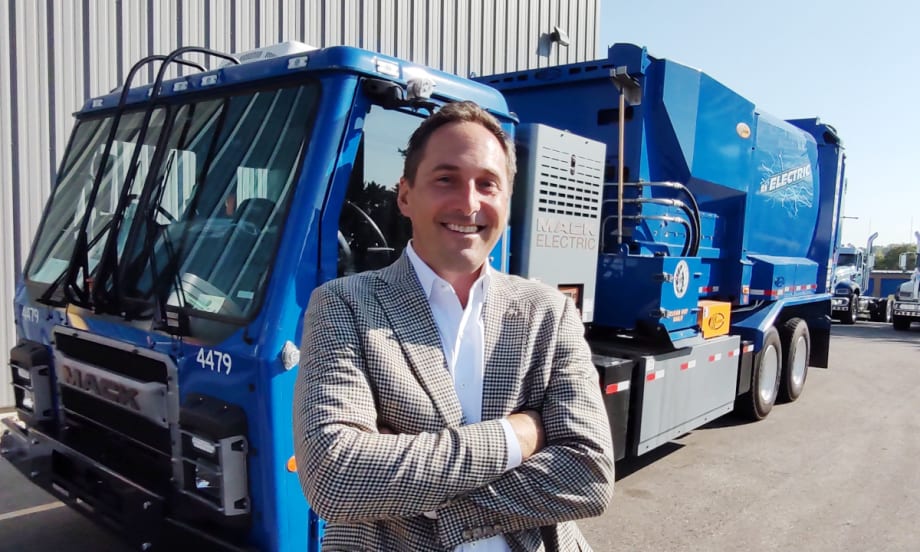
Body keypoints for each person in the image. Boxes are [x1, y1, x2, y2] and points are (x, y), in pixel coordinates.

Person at [293, 101, 614, 551]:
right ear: (405, 195)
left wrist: (403, 487)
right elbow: (335, 477)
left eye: (488, 184)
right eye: (446, 179)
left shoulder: (549, 313)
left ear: (506, 201)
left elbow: (589, 476)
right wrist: (517, 436)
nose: (468, 203)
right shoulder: (343, 304)